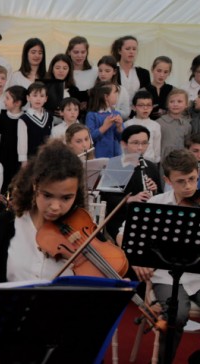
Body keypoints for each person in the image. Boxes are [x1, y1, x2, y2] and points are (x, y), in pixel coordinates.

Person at [0, 139, 86, 288]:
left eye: (66, 198)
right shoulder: (5, 224)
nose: (55, 206)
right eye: (47, 195)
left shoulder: (83, 232)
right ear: (35, 186)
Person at [116, 149, 199, 363]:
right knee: (176, 315)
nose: (188, 186)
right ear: (167, 180)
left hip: (198, 277)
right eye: (181, 181)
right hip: (166, 277)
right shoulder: (157, 203)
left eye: (192, 179)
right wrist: (136, 260)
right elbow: (122, 234)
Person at [100, 124, 162, 239]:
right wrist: (130, 199)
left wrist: (155, 190)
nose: (140, 148)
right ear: (123, 144)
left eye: (144, 143)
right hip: (121, 218)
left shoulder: (151, 166)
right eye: (135, 143)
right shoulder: (114, 165)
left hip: (145, 217)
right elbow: (107, 197)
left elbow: (161, 196)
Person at [0, 85, 26, 194]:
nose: (4, 101)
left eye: (8, 98)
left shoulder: (25, 118)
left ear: (17, 103)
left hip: (18, 157)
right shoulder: (3, 116)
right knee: (3, 182)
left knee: (16, 183)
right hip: (3, 155)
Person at [86, 81, 123, 158]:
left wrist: (119, 127)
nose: (117, 95)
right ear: (106, 97)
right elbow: (89, 138)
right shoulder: (92, 115)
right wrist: (104, 127)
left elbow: (122, 139)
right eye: (115, 92)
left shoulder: (116, 114)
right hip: (98, 156)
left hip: (115, 155)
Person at [17, 82, 53, 163]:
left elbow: (51, 138)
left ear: (46, 98)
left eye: (42, 96)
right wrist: (24, 161)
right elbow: (22, 142)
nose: (38, 99)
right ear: (28, 98)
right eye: (35, 95)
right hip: (31, 159)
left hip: (47, 158)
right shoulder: (24, 119)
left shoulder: (49, 116)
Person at [111, 35, 151, 106]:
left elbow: (147, 96)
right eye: (128, 49)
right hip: (115, 113)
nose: (131, 52)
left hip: (137, 113)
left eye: (134, 49)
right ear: (119, 51)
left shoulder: (144, 73)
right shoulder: (111, 71)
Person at [124, 90, 162, 163]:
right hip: (131, 163)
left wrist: (156, 161)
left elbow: (157, 147)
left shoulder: (155, 125)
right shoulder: (127, 124)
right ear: (134, 107)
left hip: (150, 162)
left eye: (148, 105)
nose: (145, 108)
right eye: (141, 105)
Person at [157, 88, 192, 162]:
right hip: (163, 161)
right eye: (172, 101)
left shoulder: (187, 125)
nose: (175, 104)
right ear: (167, 104)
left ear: (186, 104)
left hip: (181, 161)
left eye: (179, 101)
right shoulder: (159, 123)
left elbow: (187, 145)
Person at [43, 54, 81, 122]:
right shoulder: (44, 87)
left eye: (65, 68)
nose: (61, 71)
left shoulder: (74, 90)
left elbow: (77, 113)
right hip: (46, 123)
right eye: (57, 68)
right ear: (52, 69)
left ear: (69, 70)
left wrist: (65, 114)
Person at [96, 55, 131, 119]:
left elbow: (126, 113)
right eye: (100, 71)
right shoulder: (94, 90)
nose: (103, 74)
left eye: (107, 71)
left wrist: (111, 109)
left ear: (114, 71)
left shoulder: (122, 90)